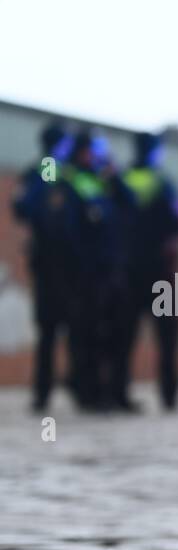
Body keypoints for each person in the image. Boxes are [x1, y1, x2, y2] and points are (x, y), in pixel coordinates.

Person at [118, 131, 178, 410]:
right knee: (168, 338)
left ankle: (119, 392)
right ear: (155, 152)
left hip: (126, 270)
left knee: (123, 337)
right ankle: (169, 394)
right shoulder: (163, 184)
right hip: (160, 271)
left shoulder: (121, 181)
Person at [61, 129, 128, 411]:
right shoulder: (68, 179)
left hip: (108, 270)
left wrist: (114, 175)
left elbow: (128, 204)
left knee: (110, 334)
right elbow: (70, 231)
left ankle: (109, 392)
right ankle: (87, 393)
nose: (95, 156)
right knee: (85, 334)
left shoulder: (101, 180)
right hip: (85, 273)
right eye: (91, 150)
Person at [10, 121, 71, 412]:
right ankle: (54, 389)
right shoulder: (50, 168)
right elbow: (41, 206)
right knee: (56, 328)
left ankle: (49, 390)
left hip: (51, 259)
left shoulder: (44, 168)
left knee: (51, 329)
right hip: (56, 260)